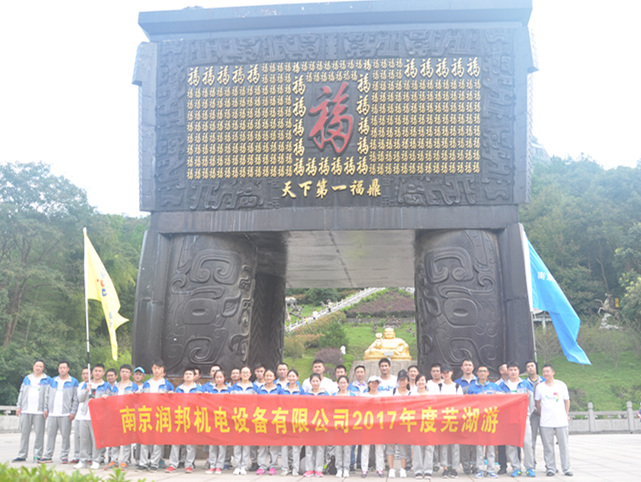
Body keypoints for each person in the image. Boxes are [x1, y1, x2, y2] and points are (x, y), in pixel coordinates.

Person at [535, 364, 573, 477]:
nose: (546, 373)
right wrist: (542, 414)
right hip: (546, 421)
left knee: (564, 445)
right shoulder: (540, 387)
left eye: (548, 371)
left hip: (561, 420)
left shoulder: (561, 385)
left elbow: (566, 401)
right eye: (544, 372)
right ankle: (550, 468)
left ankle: (566, 468)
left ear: (553, 372)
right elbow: (538, 402)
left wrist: (566, 414)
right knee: (548, 446)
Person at [499, 362, 535, 478]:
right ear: (507, 371)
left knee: (527, 443)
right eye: (511, 370)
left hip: (523, 418)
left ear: (519, 371)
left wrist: (527, 414)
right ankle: (516, 467)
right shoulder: (502, 385)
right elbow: (500, 402)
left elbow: (531, 401)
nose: (513, 372)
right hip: (509, 419)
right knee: (511, 444)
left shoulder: (526, 384)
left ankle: (529, 467)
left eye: (515, 369)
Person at [138, 359, 174, 472]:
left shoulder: (167, 384)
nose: (156, 370)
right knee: (145, 439)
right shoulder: (147, 383)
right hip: (147, 413)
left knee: (158, 440)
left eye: (158, 368)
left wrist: (168, 395)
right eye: (154, 368)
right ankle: (143, 462)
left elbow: (172, 400)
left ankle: (155, 462)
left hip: (160, 414)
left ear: (162, 370)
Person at [41, 361, 78, 464]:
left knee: (65, 436)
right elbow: (47, 396)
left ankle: (64, 456)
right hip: (52, 413)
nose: (62, 369)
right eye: (60, 368)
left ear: (68, 369)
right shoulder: (53, 381)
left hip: (65, 414)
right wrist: (45, 408)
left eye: (64, 368)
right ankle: (48, 455)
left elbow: (75, 398)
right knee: (50, 436)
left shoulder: (73, 381)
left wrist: (73, 411)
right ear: (58, 369)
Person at [14, 359, 50, 463]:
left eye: (40, 366)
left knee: (39, 434)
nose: (38, 368)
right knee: (24, 434)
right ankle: (22, 455)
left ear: (43, 368)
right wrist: (19, 406)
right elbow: (21, 392)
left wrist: (46, 408)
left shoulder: (47, 379)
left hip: (39, 411)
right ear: (33, 367)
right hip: (26, 410)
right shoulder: (27, 378)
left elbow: (48, 395)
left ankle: (37, 455)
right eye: (36, 366)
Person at [75, 363, 111, 469]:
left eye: (100, 371)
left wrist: (106, 398)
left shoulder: (106, 385)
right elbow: (80, 399)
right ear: (92, 372)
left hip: (98, 417)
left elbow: (111, 399)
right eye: (95, 371)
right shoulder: (86, 384)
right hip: (85, 415)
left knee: (96, 440)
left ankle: (96, 460)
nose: (97, 373)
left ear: (103, 373)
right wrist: (86, 390)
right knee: (83, 439)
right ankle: (83, 460)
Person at [166, 367, 201, 474]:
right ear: (183, 376)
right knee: (175, 442)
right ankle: (173, 464)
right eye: (186, 374)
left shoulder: (199, 388)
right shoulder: (179, 389)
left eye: (190, 374)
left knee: (190, 443)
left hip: (192, 418)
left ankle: (189, 464)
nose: (188, 376)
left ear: (194, 376)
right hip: (180, 417)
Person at [468, 365, 499, 479]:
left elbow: (501, 400)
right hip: (478, 419)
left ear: (488, 373)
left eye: (484, 371)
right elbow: (468, 403)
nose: (482, 373)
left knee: (491, 445)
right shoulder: (472, 387)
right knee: (479, 446)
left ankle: (490, 469)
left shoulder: (494, 387)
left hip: (491, 419)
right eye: (480, 371)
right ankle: (480, 469)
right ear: (477, 373)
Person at [106, 364, 137, 470]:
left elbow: (138, 401)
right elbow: (109, 398)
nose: (124, 374)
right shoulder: (115, 386)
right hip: (115, 415)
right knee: (115, 438)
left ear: (130, 374)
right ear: (119, 373)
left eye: (127, 372)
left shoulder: (134, 386)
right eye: (123, 371)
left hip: (127, 414)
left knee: (126, 439)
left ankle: (125, 460)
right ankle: (114, 460)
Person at [436, 365, 462, 478]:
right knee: (444, 445)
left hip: (455, 418)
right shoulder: (439, 387)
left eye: (448, 372)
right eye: (444, 373)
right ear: (441, 374)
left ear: (451, 373)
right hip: (442, 419)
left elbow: (461, 403)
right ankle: (445, 468)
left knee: (455, 445)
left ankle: (455, 468)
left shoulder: (457, 387)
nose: (446, 375)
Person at [231, 366, 257, 475]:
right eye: (243, 372)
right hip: (237, 418)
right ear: (240, 374)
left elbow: (257, 402)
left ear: (250, 374)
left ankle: (244, 466)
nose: (245, 374)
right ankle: (237, 465)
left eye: (247, 372)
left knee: (246, 443)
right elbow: (230, 401)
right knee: (237, 443)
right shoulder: (234, 387)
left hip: (249, 418)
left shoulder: (254, 387)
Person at [256, 369, 283, 475]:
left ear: (274, 377)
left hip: (274, 419)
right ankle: (262, 466)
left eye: (270, 376)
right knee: (262, 445)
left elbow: (283, 403)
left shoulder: (279, 389)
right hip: (262, 419)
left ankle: (273, 466)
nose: (268, 378)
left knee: (273, 445)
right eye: (266, 376)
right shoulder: (260, 389)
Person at [454, 359, 477, 474]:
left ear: (473, 367)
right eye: (465, 365)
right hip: (462, 416)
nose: (468, 367)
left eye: (469, 365)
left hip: (477, 416)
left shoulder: (478, 382)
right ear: (462, 368)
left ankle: (476, 465)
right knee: (464, 443)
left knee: (477, 441)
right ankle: (466, 466)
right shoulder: (456, 383)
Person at [205, 369, 229, 475]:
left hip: (224, 420)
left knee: (222, 444)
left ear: (224, 378)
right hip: (212, 419)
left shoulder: (229, 390)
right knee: (212, 444)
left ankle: (219, 465)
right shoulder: (210, 390)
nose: (219, 379)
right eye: (217, 377)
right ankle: (212, 465)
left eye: (221, 377)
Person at [360, 376, 385, 478]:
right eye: (372, 383)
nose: (374, 385)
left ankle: (380, 469)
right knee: (365, 448)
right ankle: (364, 469)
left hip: (378, 425)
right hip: (367, 425)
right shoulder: (363, 396)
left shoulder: (382, 396)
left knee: (379, 448)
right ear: (369, 384)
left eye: (376, 383)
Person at [304, 373, 329, 477]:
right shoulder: (306, 394)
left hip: (321, 424)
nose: (315, 383)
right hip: (309, 424)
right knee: (309, 448)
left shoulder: (325, 394)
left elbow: (328, 408)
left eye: (317, 381)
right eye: (313, 381)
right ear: (310, 382)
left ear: (320, 382)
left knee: (320, 448)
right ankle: (309, 469)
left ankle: (318, 469)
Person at [387, 370, 410, 478]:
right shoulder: (392, 392)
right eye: (400, 380)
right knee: (390, 447)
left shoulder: (411, 394)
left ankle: (403, 469)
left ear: (407, 381)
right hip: (392, 423)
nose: (402, 382)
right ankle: (391, 469)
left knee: (403, 448)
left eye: (404, 380)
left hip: (405, 424)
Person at [411, 374, 434, 481]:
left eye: (422, 380)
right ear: (416, 382)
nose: (421, 382)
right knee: (417, 448)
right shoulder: (412, 394)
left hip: (429, 423)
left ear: (426, 382)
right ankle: (418, 470)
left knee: (429, 447)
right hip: (416, 424)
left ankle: (428, 470)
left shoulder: (431, 395)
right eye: (419, 380)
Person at [282, 369, 303, 476]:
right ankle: (285, 468)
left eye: (293, 376)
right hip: (285, 421)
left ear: (297, 377)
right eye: (289, 376)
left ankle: (295, 468)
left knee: (295, 447)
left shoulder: (301, 391)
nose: (291, 378)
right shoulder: (283, 391)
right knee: (284, 446)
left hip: (296, 421)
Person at [524, 360, 545, 467]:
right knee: (531, 440)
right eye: (528, 366)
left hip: (544, 413)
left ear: (536, 367)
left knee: (547, 440)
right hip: (531, 414)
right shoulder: (524, 383)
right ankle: (531, 462)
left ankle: (550, 464)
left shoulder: (544, 381)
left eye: (532, 366)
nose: (530, 368)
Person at [334, 375, 355, 478]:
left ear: (348, 384)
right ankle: (339, 468)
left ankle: (346, 468)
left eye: (344, 383)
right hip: (337, 425)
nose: (342, 385)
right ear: (338, 384)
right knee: (338, 448)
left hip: (348, 425)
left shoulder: (352, 395)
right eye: (341, 383)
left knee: (347, 448)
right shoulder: (334, 396)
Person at [70, 367, 89, 465]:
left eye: (87, 373)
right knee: (78, 437)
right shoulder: (80, 385)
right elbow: (76, 400)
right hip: (79, 415)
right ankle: (77, 455)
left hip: (89, 415)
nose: (85, 375)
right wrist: (73, 412)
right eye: (84, 374)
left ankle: (89, 456)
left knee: (88, 438)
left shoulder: (92, 385)